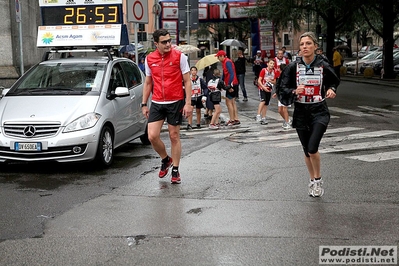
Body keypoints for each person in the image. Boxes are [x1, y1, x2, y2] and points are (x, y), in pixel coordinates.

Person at [277, 32, 340, 197]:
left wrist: (331, 89)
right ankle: (312, 180)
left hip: (319, 110)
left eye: (308, 44)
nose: (305, 47)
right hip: (301, 112)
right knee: (306, 150)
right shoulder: (293, 67)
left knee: (313, 148)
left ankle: (318, 179)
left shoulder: (323, 65)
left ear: (315, 47)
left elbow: (334, 80)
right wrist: (294, 91)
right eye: (302, 44)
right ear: (300, 47)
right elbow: (282, 87)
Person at [141, 29, 193, 184]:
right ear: (156, 43)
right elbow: (148, 82)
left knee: (174, 136)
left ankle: (175, 170)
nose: (168, 44)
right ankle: (166, 159)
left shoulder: (180, 57)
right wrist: (144, 103)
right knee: (152, 136)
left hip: (175, 100)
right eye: (164, 42)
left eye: (169, 40)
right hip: (157, 101)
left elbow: (187, 81)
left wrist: (188, 103)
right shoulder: (150, 59)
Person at [215, 50, 240, 126]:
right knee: (232, 102)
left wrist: (229, 85)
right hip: (233, 83)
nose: (218, 59)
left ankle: (232, 119)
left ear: (222, 56)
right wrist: (221, 81)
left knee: (228, 102)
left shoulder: (227, 62)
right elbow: (225, 74)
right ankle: (235, 118)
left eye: (218, 57)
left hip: (232, 84)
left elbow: (232, 73)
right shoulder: (225, 62)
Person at [274, 49, 291, 129]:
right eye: (279, 53)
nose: (280, 55)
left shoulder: (286, 61)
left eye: (281, 53)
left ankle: (287, 122)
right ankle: (287, 120)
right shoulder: (275, 60)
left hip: (285, 92)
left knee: (284, 108)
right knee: (280, 110)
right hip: (280, 90)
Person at [256, 59, 277, 125]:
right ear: (267, 64)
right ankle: (258, 115)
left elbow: (275, 81)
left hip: (269, 89)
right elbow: (259, 80)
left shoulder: (274, 71)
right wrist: (263, 87)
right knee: (263, 101)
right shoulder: (263, 70)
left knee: (266, 104)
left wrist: (271, 81)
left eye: (273, 64)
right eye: (270, 63)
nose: (272, 65)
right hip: (262, 88)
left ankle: (264, 117)